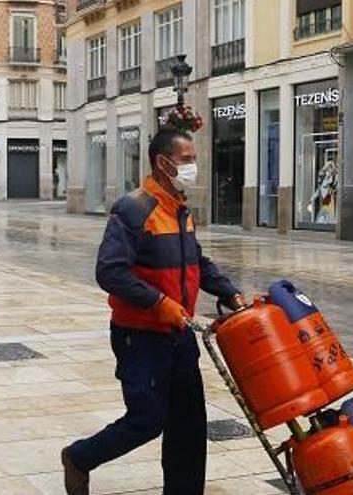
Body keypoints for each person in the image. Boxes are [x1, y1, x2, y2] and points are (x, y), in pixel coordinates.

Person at [62, 129, 245, 495]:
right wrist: (159, 304)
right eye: (187, 159)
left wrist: (231, 292)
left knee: (189, 425)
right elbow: (110, 271)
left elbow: (196, 260)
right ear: (163, 163)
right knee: (147, 419)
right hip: (140, 337)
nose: (193, 166)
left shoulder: (178, 208)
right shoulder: (133, 208)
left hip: (179, 336)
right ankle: (79, 457)